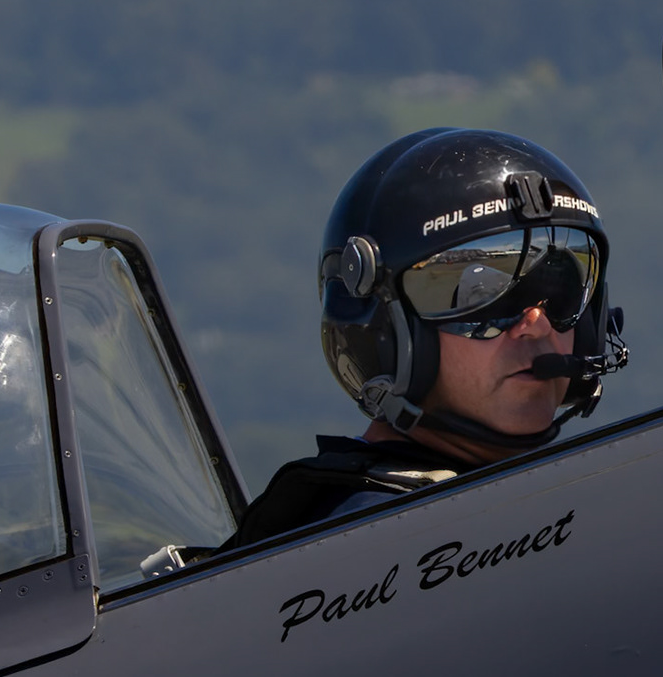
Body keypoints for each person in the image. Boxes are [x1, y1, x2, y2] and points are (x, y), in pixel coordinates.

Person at [221, 127, 624, 549]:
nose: (536, 324)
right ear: (387, 333)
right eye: (480, 301)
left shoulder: (581, 508)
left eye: (563, 295)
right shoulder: (363, 545)